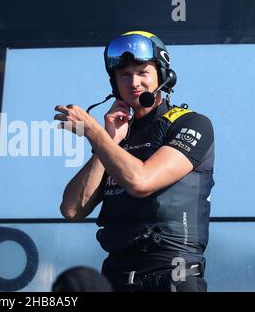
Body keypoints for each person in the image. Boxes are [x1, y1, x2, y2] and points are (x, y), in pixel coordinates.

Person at [54, 31, 214, 292]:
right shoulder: (113, 139)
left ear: (163, 75)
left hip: (172, 279)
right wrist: (107, 139)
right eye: (124, 76)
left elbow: (141, 181)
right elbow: (72, 209)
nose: (134, 82)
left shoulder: (192, 123)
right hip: (116, 279)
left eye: (142, 72)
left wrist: (93, 133)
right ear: (114, 83)